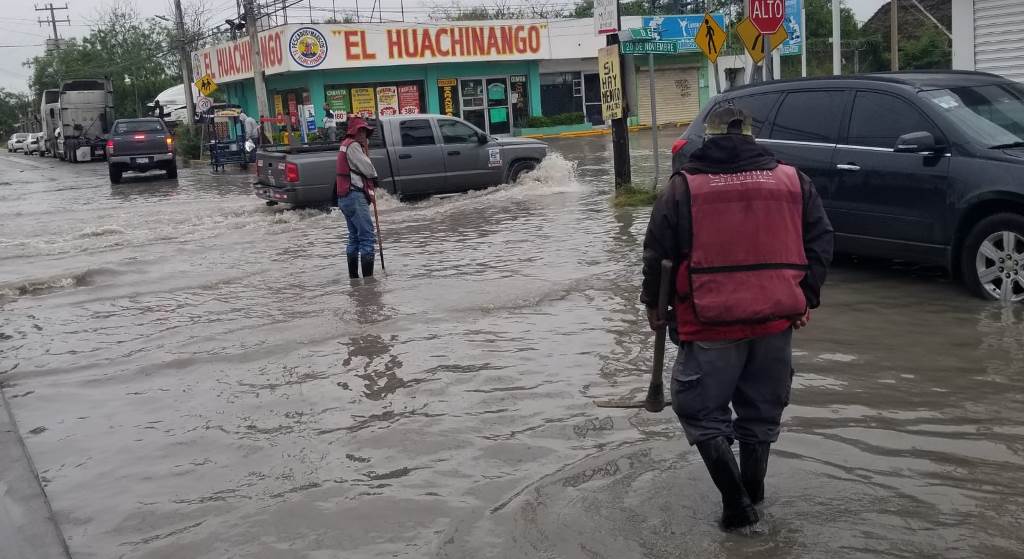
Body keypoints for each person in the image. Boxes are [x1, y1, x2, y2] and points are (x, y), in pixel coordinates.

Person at [641, 106, 833, 531]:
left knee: (698, 410)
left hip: (711, 322)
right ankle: (755, 502)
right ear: (750, 136)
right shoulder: (793, 181)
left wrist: (654, 306)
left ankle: (737, 507)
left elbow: (658, 253)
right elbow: (821, 241)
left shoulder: (682, 188)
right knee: (761, 416)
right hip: (776, 321)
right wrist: (805, 298)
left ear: (706, 139)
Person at [336, 117, 379, 279]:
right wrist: (374, 176)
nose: (363, 134)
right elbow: (368, 169)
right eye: (361, 130)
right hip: (354, 196)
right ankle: (369, 283)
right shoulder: (353, 146)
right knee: (367, 237)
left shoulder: (344, 145)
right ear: (354, 131)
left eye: (365, 131)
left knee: (354, 238)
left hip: (345, 197)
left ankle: (354, 280)